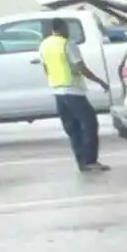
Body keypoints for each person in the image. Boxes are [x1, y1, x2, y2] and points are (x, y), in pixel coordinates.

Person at [39, 19, 109, 172]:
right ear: (61, 28)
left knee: (72, 128)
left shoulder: (44, 45)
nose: (68, 30)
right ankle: (90, 160)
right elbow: (80, 67)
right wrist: (99, 81)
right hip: (72, 90)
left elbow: (46, 68)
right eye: (67, 27)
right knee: (89, 123)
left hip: (57, 91)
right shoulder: (67, 44)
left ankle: (81, 161)